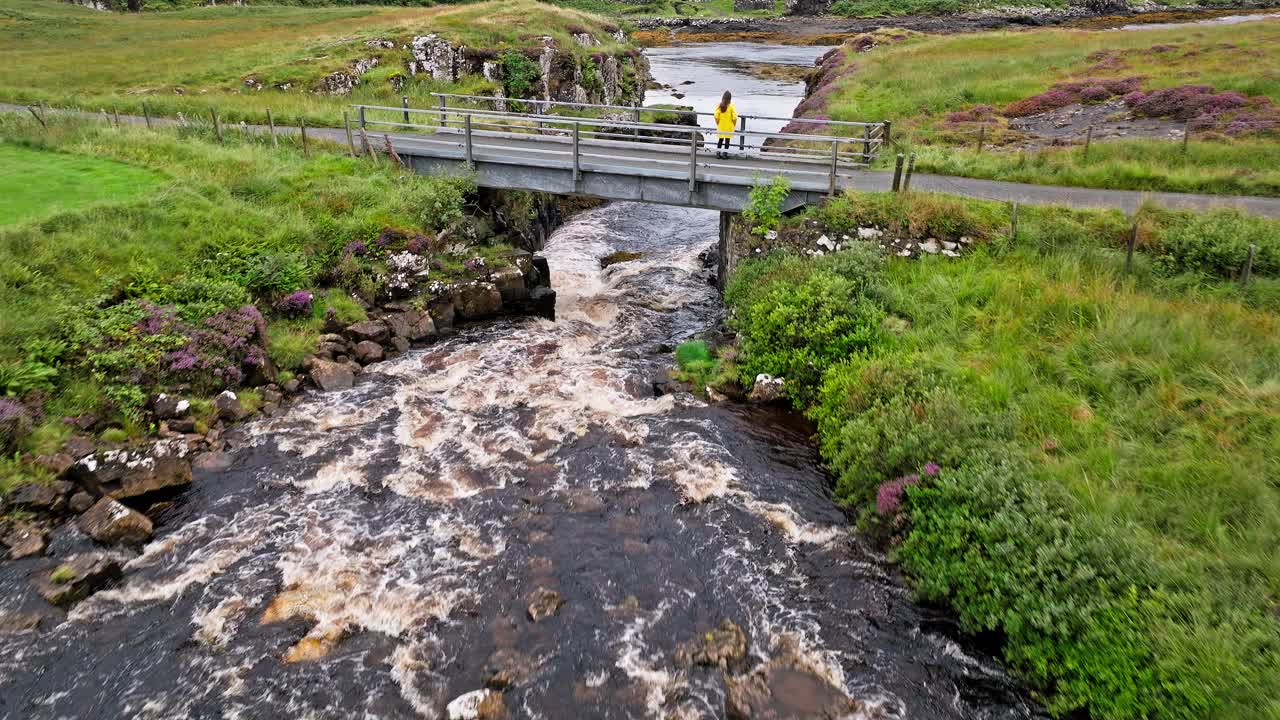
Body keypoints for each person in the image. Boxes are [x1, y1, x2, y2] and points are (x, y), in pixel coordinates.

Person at [713, 91, 737, 160]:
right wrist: (733, 125)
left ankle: (718, 153)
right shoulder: (731, 106)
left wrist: (718, 123)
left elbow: (716, 116)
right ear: (730, 98)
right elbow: (735, 117)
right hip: (729, 127)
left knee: (720, 140)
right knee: (727, 141)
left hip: (721, 126)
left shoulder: (719, 105)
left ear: (723, 97)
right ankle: (724, 155)